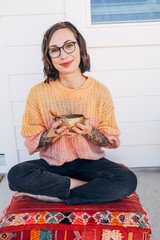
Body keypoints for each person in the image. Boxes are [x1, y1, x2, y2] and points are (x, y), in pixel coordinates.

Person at [8, 21, 137, 205]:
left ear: (80, 46)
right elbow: (31, 141)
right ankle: (85, 188)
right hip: (52, 164)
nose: (63, 55)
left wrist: (88, 132)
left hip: (89, 164)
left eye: (69, 46)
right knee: (16, 175)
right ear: (49, 57)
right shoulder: (38, 93)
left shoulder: (100, 91)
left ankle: (53, 194)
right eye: (55, 50)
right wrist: (52, 133)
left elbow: (110, 140)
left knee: (127, 180)